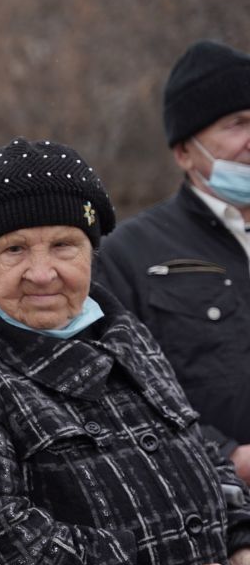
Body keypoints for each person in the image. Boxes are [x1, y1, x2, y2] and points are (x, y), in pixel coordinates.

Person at [0, 137, 250, 565]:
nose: (42, 273)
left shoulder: (121, 329)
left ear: (92, 251)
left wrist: (241, 540)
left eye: (64, 244)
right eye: (14, 249)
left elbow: (195, 447)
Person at [95, 39, 250, 482]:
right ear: (184, 152)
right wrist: (224, 457)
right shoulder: (128, 254)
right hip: (215, 508)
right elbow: (116, 389)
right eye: (237, 124)